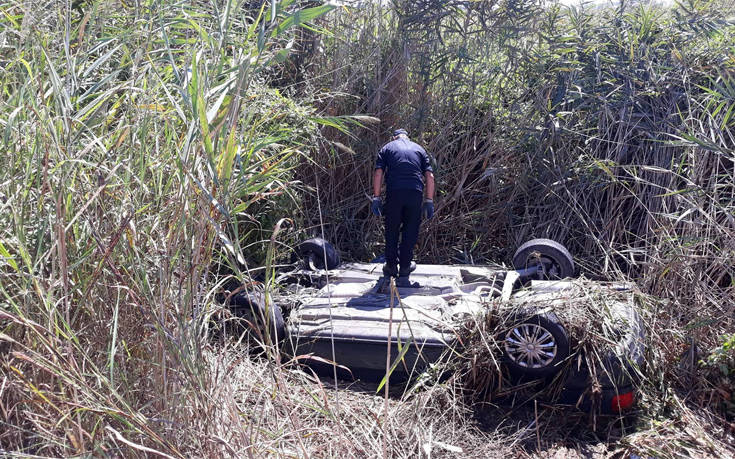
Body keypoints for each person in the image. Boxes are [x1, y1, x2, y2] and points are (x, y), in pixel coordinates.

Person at [371, 128, 435, 287]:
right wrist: (429, 200)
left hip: (395, 193)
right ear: (407, 137)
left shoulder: (387, 148)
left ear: (394, 137)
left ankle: (391, 267)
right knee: (410, 230)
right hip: (415, 193)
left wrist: (376, 197)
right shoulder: (419, 149)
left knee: (392, 229)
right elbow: (429, 176)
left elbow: (379, 173)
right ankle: (405, 267)